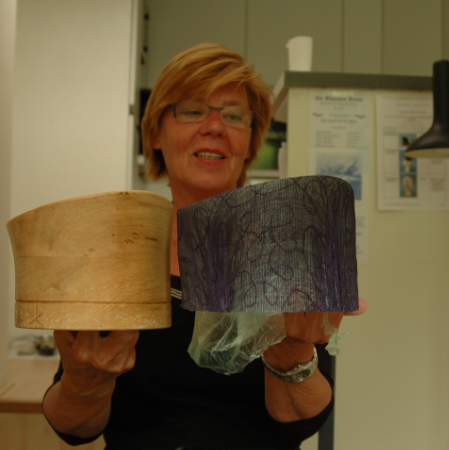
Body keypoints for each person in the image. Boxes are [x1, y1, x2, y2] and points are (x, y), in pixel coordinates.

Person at [42, 43, 367, 450]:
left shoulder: (287, 254)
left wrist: (292, 352)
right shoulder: (113, 256)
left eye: (233, 115)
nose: (214, 126)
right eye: (193, 110)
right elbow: (74, 427)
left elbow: (300, 422)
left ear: (249, 143)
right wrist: (84, 382)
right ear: (155, 133)